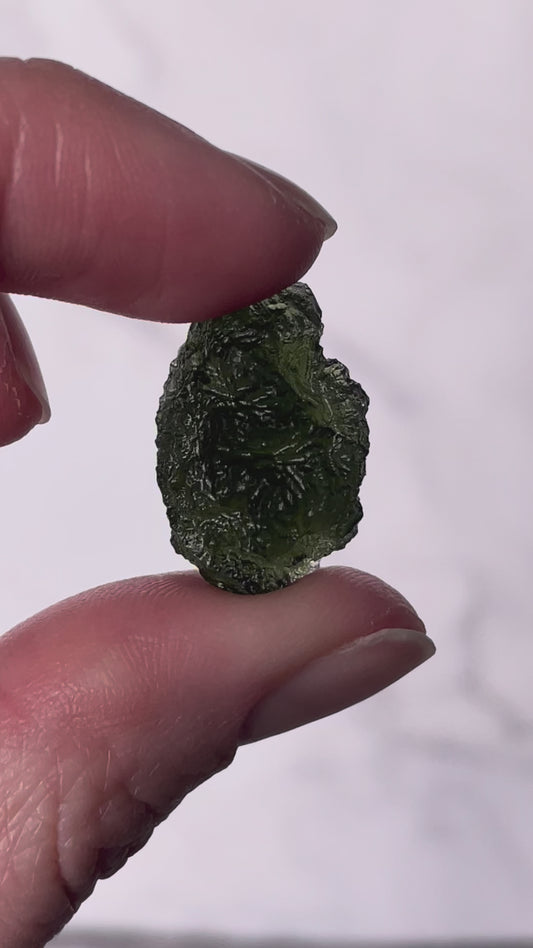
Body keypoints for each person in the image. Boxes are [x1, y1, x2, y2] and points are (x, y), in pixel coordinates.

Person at [0, 59, 435, 946]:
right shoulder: (249, 366)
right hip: (247, 530)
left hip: (262, 527)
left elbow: (331, 416)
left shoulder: (276, 366)